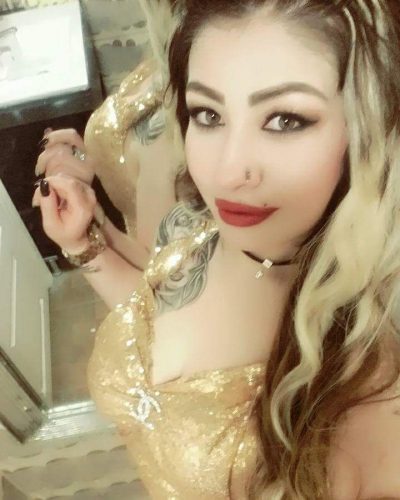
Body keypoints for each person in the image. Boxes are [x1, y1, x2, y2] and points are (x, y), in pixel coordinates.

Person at [32, 0, 400, 498]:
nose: (227, 172)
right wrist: (85, 244)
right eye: (208, 114)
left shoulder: (371, 388)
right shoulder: (198, 232)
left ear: (367, 129)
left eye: (285, 120)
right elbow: (150, 317)